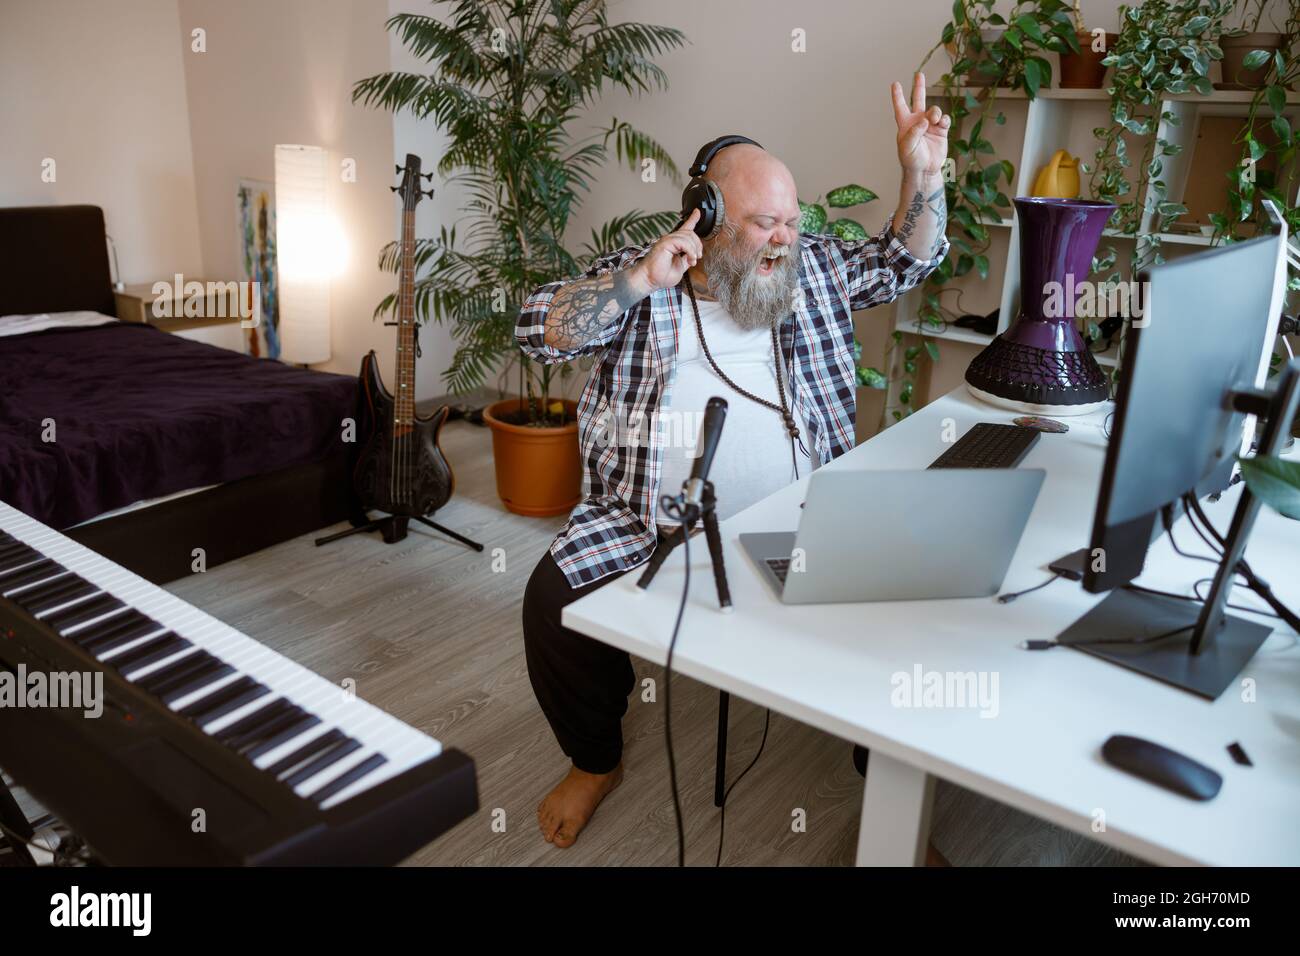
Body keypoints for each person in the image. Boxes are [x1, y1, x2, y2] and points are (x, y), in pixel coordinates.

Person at [517, 73, 950, 849]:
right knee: (551, 605)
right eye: (763, 222)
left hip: (810, 521)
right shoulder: (644, 274)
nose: (785, 237)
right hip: (646, 524)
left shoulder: (808, 269)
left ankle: (894, 814)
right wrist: (640, 281)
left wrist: (922, 172)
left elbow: (905, 262)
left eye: (790, 219)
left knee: (899, 633)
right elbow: (538, 330)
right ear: (708, 219)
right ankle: (596, 759)